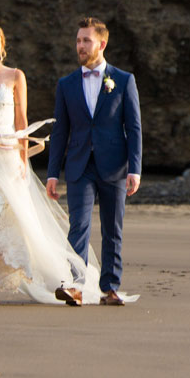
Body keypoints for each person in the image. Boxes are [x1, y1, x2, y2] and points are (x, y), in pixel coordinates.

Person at [0, 23, 99, 304]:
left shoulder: (15, 76)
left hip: (6, 159)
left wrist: (21, 162)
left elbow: (21, 122)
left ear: (2, 48)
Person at [46, 16, 142, 306]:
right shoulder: (66, 84)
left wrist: (135, 169)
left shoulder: (124, 80)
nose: (80, 46)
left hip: (114, 165)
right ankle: (74, 285)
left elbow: (134, 127)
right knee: (79, 226)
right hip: (78, 165)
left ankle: (109, 288)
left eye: (86, 40)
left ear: (102, 43)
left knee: (113, 229)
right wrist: (52, 173)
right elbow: (60, 130)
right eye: (78, 40)